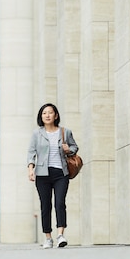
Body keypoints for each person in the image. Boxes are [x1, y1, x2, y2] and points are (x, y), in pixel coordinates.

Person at [27, 103, 79, 249]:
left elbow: (75, 147)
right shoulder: (37, 134)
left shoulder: (65, 132)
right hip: (42, 174)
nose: (47, 115)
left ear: (56, 115)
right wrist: (30, 169)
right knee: (46, 205)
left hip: (60, 173)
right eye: (44, 113)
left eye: (50, 112)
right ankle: (48, 237)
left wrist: (69, 149)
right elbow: (31, 153)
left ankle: (60, 235)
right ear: (41, 116)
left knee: (60, 203)